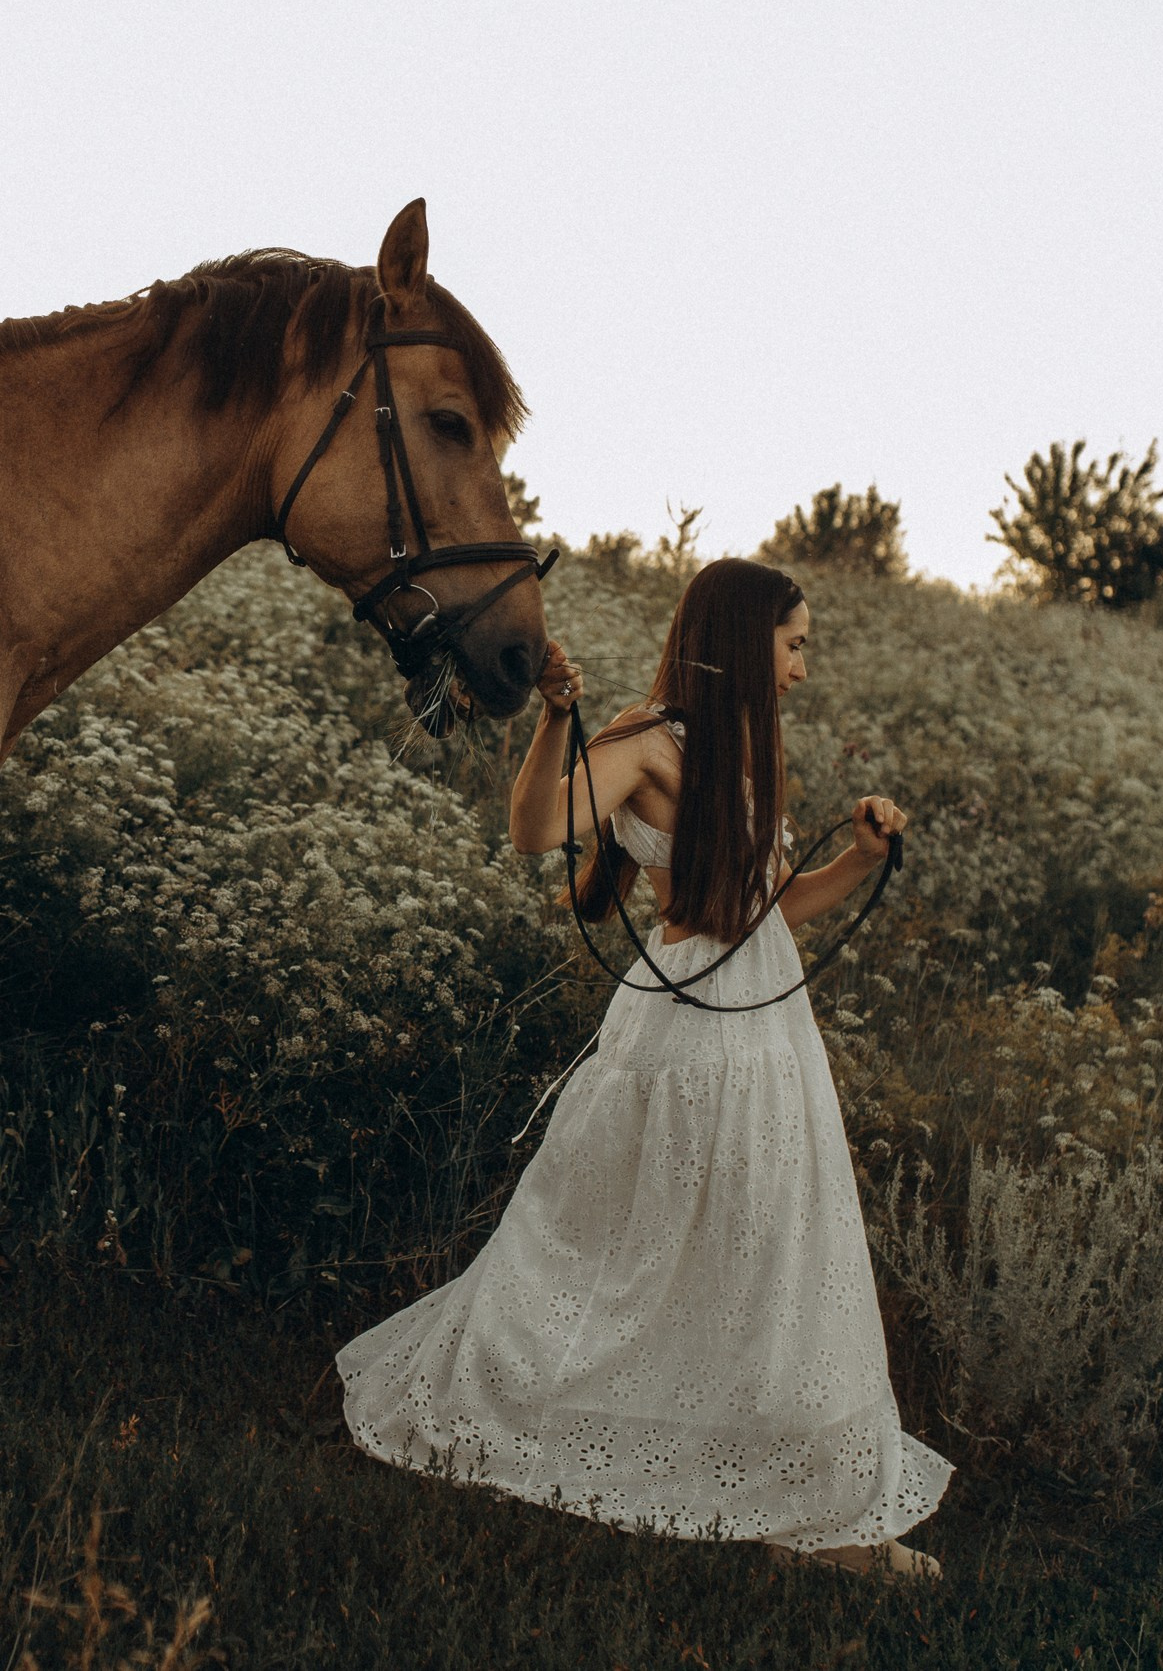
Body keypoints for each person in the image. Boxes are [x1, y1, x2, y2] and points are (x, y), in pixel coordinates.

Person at [335, 557, 950, 1578]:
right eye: (795, 644)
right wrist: (553, 720)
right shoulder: (653, 739)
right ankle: (591, 1430)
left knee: (762, 1252)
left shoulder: (750, 743)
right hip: (692, 1030)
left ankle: (800, 1504)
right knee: (630, 1245)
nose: (803, 665)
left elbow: (759, 909)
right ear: (750, 640)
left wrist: (862, 860)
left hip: (763, 1026)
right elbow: (535, 829)